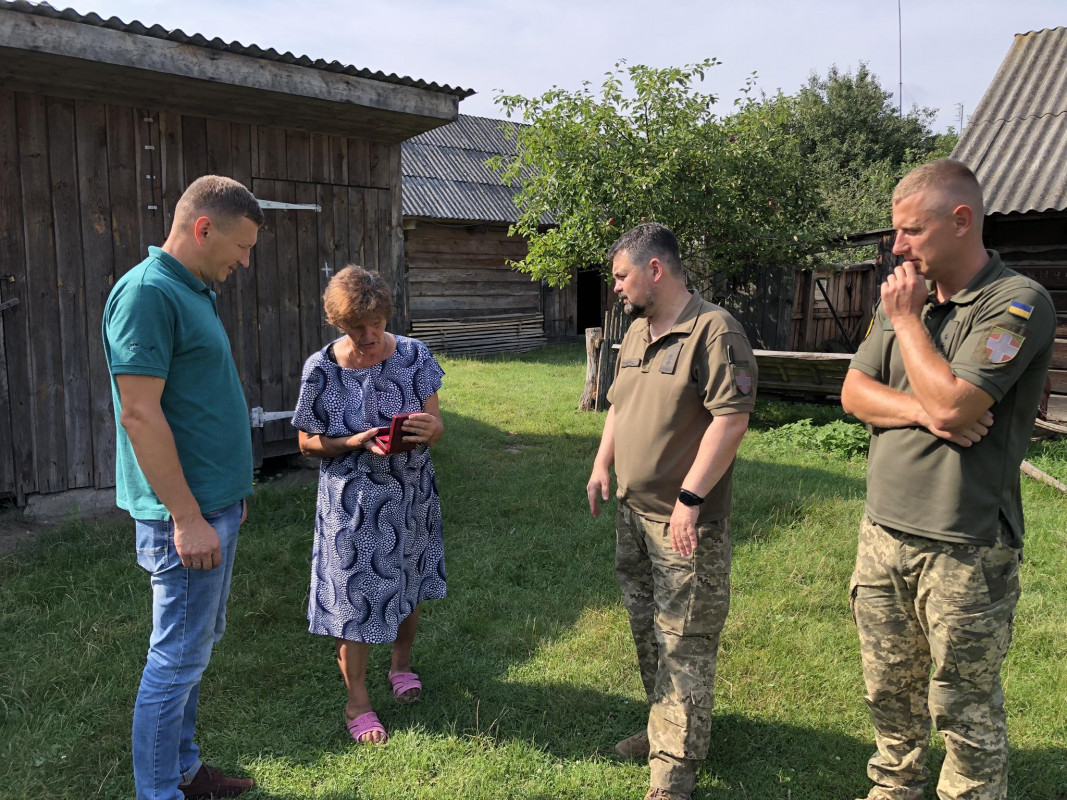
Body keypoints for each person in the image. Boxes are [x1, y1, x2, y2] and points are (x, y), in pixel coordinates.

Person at [841, 159, 1055, 800]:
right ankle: (897, 786)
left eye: (910, 231)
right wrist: (921, 410)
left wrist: (907, 327)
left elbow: (957, 406)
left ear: (961, 221)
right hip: (882, 532)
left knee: (962, 704)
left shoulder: (1015, 302)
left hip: (965, 545)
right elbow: (854, 392)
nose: (897, 247)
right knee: (888, 687)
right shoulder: (909, 297)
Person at [102, 175, 264, 800]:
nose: (244, 262)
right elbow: (139, 413)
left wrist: (228, 494)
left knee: (194, 650)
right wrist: (188, 516)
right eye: (241, 247)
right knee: (174, 662)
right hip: (185, 519)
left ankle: (184, 772)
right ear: (203, 229)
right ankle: (159, 792)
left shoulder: (191, 289)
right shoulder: (146, 294)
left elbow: (198, 402)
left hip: (212, 505)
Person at [586, 223, 756, 800]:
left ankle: (673, 773)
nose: (616, 288)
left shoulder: (714, 329)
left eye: (621, 276)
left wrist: (689, 498)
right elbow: (617, 406)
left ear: (655, 270)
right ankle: (665, 729)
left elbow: (730, 420)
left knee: (684, 640)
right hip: (633, 515)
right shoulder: (635, 332)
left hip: (685, 523)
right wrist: (601, 464)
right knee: (646, 633)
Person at [293, 265, 445, 746]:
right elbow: (305, 442)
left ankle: (401, 665)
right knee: (353, 600)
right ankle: (357, 700)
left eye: (376, 323)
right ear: (338, 323)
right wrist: (351, 442)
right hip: (351, 507)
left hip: (410, 496)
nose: (369, 335)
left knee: (409, 580)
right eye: (357, 327)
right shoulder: (322, 368)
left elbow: (436, 423)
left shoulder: (415, 355)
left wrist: (429, 430)